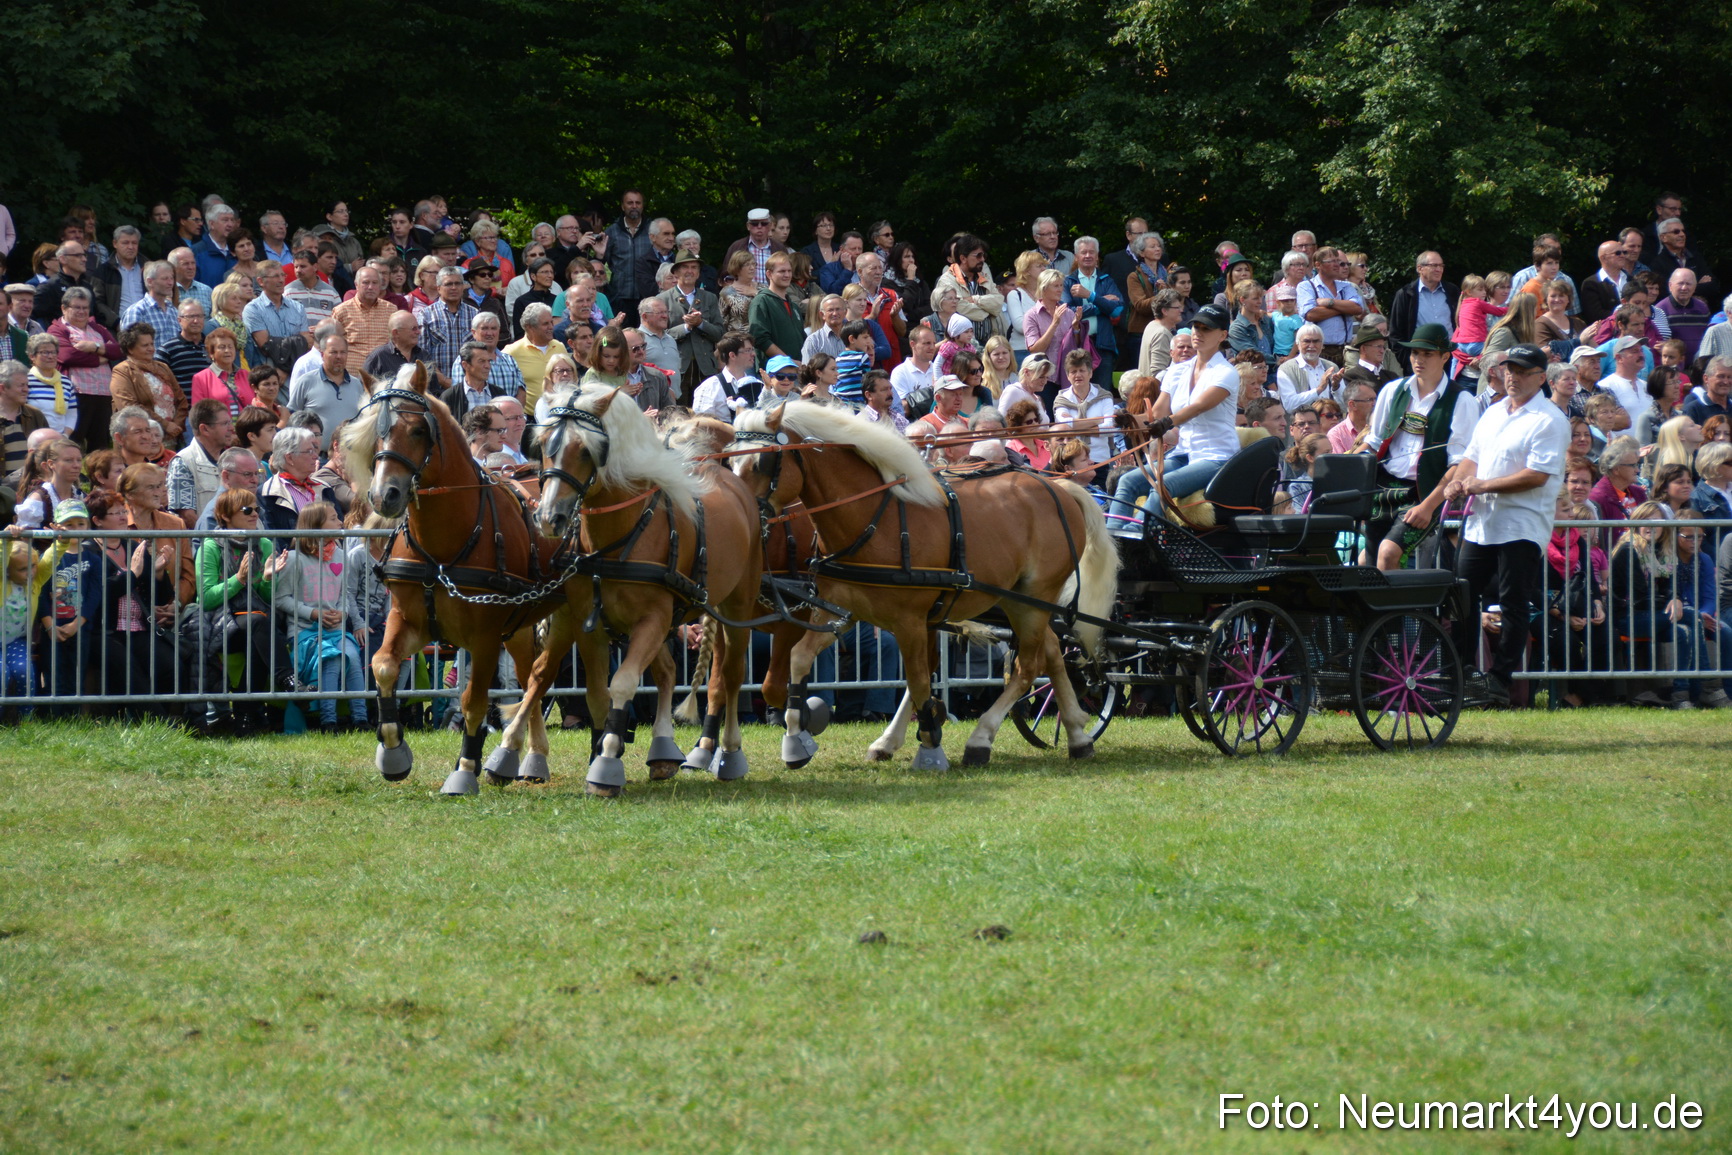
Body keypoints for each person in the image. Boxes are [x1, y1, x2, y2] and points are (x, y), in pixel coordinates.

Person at [1444, 342, 1572, 702]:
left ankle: (1499, 680)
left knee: (1513, 602)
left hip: (1522, 524)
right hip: (1482, 522)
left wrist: (1483, 484)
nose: (1512, 377)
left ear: (1541, 378)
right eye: (1509, 369)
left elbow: (1537, 476)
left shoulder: (1550, 419)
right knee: (1462, 596)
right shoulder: (1494, 411)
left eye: (1521, 371)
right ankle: (1465, 673)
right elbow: (1472, 458)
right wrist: (1458, 481)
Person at [1361, 323, 1480, 570]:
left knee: (1388, 553)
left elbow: (1460, 464)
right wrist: (1348, 466)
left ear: (1445, 356)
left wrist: (1428, 506)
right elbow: (1374, 442)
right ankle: (1386, 609)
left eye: (1427, 354)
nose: (1419, 359)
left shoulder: (1462, 400)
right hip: (1382, 487)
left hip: (1424, 493)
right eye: (1415, 353)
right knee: (1371, 562)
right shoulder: (1393, 390)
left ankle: (1396, 609)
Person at [274, 501, 368, 733]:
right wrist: (313, 614)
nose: (340, 522)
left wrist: (342, 612)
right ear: (315, 524)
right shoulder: (295, 559)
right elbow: (281, 598)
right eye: (334, 518)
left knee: (353, 656)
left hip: (335, 630)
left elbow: (345, 594)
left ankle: (361, 718)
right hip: (304, 632)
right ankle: (328, 720)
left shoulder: (341, 555)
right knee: (333, 658)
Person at [1674, 515, 1732, 708]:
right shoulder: (1668, 558)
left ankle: (1728, 690)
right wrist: (1697, 617)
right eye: (1688, 536)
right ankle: (1707, 689)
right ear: (1674, 535)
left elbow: (1710, 596)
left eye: (1699, 537)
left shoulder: (1704, 559)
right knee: (1691, 629)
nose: (1695, 542)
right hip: (1678, 615)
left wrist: (1703, 614)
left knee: (1725, 631)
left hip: (1702, 614)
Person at [1064, 237, 1126, 394]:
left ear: (1097, 256)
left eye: (1092, 252)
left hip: (1103, 345)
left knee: (1102, 393)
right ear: (1076, 256)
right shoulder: (1068, 282)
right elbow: (1069, 313)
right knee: (1077, 392)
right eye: (1083, 252)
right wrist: (1102, 303)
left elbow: (1117, 310)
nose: (1087, 256)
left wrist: (1089, 296)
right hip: (1077, 345)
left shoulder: (1106, 280)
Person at [659, 249, 724, 397]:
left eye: (694, 267)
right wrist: (686, 327)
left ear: (699, 272)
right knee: (679, 414)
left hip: (705, 368)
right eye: (685, 267)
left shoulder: (710, 298)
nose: (690, 271)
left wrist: (701, 323)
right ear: (675, 272)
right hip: (677, 367)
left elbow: (720, 333)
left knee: (705, 413)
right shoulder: (662, 299)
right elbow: (659, 335)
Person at [284, 329, 360, 452]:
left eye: (343, 352)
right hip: (315, 458)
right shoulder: (306, 381)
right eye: (333, 352)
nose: (339, 357)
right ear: (322, 354)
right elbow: (292, 417)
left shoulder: (357, 385)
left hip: (349, 458)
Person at [165, 399, 236, 524]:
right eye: (225, 424)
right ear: (205, 429)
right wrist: (216, 540)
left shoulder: (233, 460)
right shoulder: (183, 462)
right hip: (204, 542)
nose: (232, 428)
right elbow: (186, 516)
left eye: (230, 422)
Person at [1297, 247, 1366, 363]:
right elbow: (1311, 314)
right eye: (1331, 261)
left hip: (1344, 351)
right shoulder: (1306, 286)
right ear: (1318, 265)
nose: (1337, 265)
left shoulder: (1346, 286)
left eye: (1337, 261)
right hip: (1317, 351)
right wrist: (1344, 309)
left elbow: (1358, 308)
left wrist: (1330, 302)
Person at [747, 252, 804, 372]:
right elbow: (759, 339)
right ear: (769, 274)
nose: (787, 275)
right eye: (782, 271)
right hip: (774, 374)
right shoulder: (761, 301)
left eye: (789, 271)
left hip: (797, 371)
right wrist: (789, 361)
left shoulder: (793, 305)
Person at [690, 333, 758, 421]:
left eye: (752, 349)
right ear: (732, 355)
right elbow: (702, 424)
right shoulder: (710, 386)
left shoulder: (757, 384)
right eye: (748, 350)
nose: (753, 354)